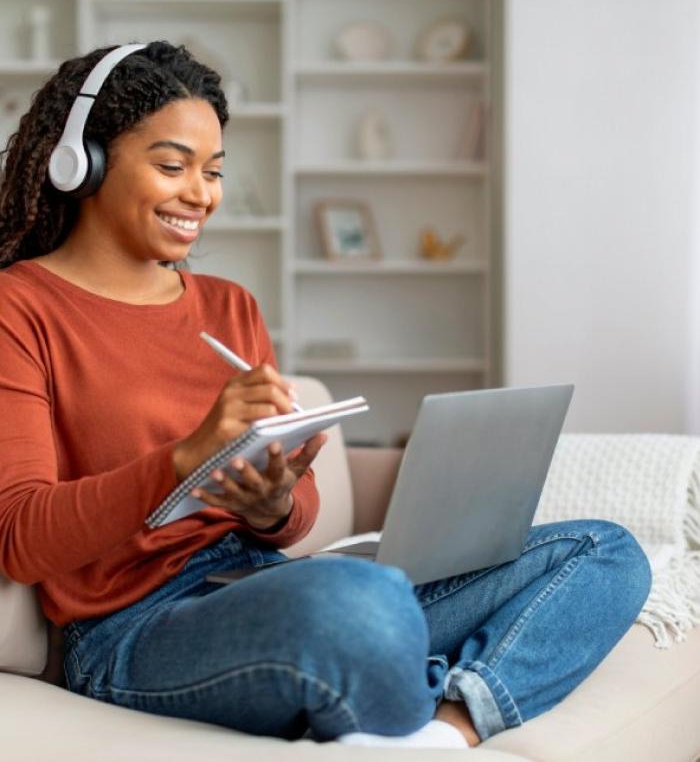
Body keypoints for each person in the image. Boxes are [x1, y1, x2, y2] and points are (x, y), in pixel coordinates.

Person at [0, 41, 652, 749]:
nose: (202, 193)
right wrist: (187, 457)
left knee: (605, 551)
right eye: (172, 166)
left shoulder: (229, 307)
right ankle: (401, 668)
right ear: (82, 161)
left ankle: (444, 730)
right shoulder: (21, 308)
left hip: (267, 585)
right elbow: (21, 539)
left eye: (214, 171)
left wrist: (273, 503)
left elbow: (297, 515)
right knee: (361, 604)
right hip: (132, 625)